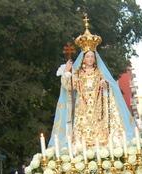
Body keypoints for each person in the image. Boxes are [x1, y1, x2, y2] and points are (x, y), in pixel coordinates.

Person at [53, 15, 135, 148]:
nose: (90, 59)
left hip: (99, 107)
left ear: (95, 58)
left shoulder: (100, 72)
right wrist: (67, 71)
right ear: (83, 58)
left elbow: (110, 86)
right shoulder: (78, 73)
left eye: (92, 56)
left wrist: (105, 85)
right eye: (87, 56)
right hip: (82, 108)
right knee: (82, 135)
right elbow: (68, 87)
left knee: (100, 134)